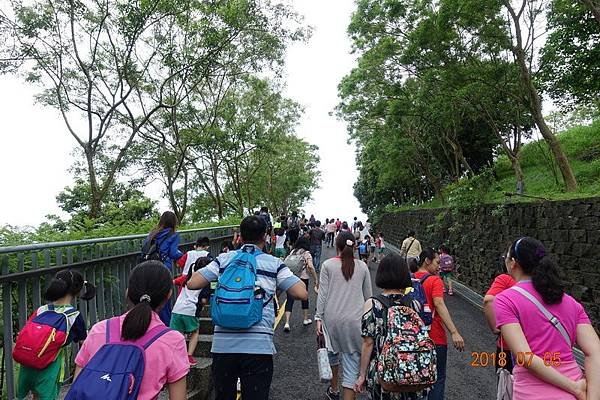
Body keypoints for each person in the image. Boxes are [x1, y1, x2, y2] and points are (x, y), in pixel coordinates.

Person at [187, 216, 308, 400]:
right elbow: (301, 293)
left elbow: (192, 283)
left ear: (240, 237)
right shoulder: (273, 263)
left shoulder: (224, 259)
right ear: (266, 236)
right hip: (258, 348)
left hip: (223, 348)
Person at [494, 237, 600, 400]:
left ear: (513, 263)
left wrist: (574, 388)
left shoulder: (505, 300)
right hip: (575, 390)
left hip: (533, 393)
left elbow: (525, 357)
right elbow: (595, 352)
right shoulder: (570, 302)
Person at [74, 261, 189, 400]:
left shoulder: (99, 329)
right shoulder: (172, 341)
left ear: (128, 292)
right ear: (169, 294)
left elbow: (77, 385)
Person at [355, 254, 429, 400]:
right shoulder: (414, 304)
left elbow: (368, 343)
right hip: (411, 370)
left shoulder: (373, 304)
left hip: (384, 373)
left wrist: (362, 375)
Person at [16, 270, 95, 400]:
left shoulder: (41, 310)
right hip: (50, 364)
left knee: (35, 395)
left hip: (28, 362)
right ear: (77, 291)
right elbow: (84, 344)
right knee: (47, 395)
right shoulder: (73, 315)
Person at [316, 231, 373, 400]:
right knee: (351, 366)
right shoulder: (362, 266)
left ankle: (333, 390)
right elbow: (368, 297)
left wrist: (318, 317)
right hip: (355, 321)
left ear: (337, 246)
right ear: (354, 247)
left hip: (331, 319)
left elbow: (322, 295)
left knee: (332, 353)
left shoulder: (327, 265)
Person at [414, 248, 465, 400]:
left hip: (413, 337)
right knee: (437, 379)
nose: (439, 266)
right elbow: (439, 304)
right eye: (437, 262)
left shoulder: (409, 278)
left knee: (415, 377)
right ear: (427, 261)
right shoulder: (434, 280)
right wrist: (454, 332)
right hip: (434, 337)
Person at [142, 211, 183, 325]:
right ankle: (165, 328)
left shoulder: (152, 234)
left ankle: (149, 325)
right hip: (163, 269)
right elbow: (173, 253)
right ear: (173, 222)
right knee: (164, 299)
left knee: (150, 298)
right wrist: (183, 255)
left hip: (148, 268)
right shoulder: (173, 235)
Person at [171, 257, 212, 366]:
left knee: (178, 334)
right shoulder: (204, 282)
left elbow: (173, 281)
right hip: (190, 310)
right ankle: (188, 356)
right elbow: (203, 300)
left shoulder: (186, 278)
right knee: (195, 332)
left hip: (176, 309)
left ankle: (178, 355)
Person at [283, 236, 319, 332]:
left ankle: (286, 322)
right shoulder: (306, 253)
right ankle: (305, 319)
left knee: (289, 299)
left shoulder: (293, 251)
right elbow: (310, 266)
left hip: (291, 277)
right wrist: (316, 278)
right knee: (304, 297)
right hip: (303, 278)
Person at [483, 272, 516, 375]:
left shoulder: (506, 280)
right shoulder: (544, 282)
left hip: (509, 345)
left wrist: (496, 328)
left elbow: (489, 301)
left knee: (506, 387)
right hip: (542, 351)